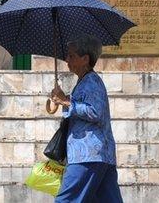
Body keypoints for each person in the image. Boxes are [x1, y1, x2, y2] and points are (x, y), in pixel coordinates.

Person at [48, 34, 122, 202]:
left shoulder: (91, 82)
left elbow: (95, 112)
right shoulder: (84, 82)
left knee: (66, 199)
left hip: (87, 154)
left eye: (72, 55)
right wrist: (65, 100)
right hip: (99, 155)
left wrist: (66, 101)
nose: (67, 59)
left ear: (85, 59)